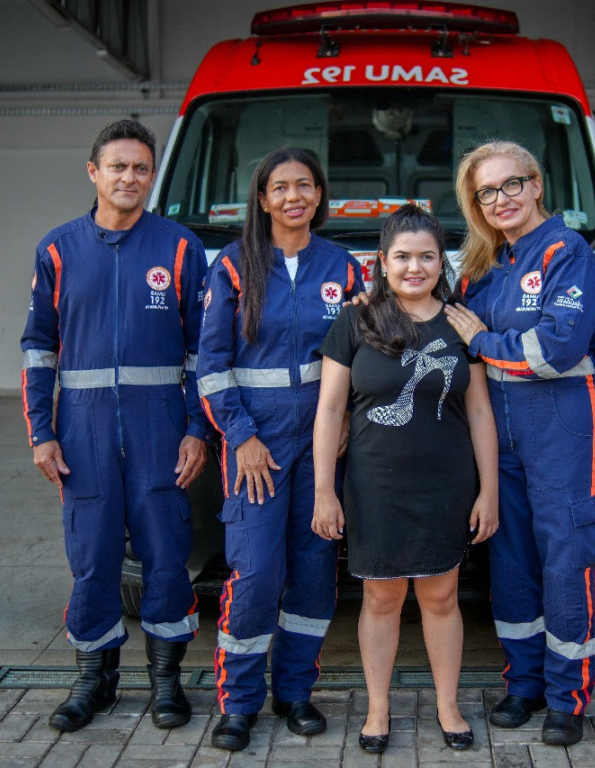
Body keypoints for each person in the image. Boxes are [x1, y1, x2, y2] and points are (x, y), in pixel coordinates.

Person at [21, 119, 210, 732]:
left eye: (141, 169)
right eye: (118, 166)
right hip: (82, 436)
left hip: (161, 435)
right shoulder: (57, 249)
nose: (129, 177)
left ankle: (166, 684)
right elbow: (38, 348)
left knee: (165, 559)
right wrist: (42, 433)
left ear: (152, 178)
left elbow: (202, 353)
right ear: (93, 172)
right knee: (94, 561)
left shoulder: (181, 248)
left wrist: (197, 431)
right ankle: (92, 683)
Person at [443, 141, 595, 747]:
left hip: (565, 426)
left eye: (510, 185)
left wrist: (487, 342)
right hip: (501, 430)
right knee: (512, 560)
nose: (500, 200)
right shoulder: (485, 264)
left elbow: (555, 350)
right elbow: (446, 328)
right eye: (485, 193)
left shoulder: (569, 254)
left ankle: (567, 698)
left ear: (537, 184)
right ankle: (525, 684)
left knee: (567, 560)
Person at [312, 204, 498, 753]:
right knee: (380, 600)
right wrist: (325, 490)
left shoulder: (463, 322)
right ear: (382, 261)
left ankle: (447, 705)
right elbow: (329, 410)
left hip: (445, 483)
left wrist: (489, 490)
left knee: (442, 598)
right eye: (402, 257)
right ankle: (377, 709)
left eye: (426, 257)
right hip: (374, 485)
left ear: (443, 261)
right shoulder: (356, 320)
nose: (414, 268)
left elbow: (481, 411)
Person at [197, 147, 365, 752]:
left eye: (305, 186)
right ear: (263, 199)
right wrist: (239, 437)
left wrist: (347, 416)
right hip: (256, 449)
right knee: (258, 574)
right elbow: (211, 368)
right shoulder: (235, 266)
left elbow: (358, 356)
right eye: (281, 187)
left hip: (321, 447)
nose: (294, 197)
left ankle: (294, 693)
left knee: (316, 573)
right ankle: (238, 703)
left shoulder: (342, 267)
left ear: (320, 196)